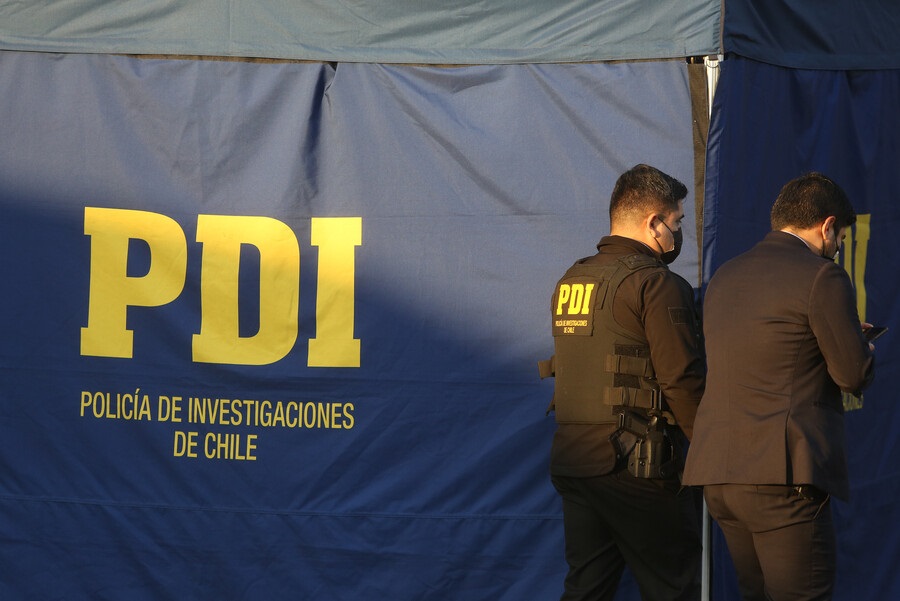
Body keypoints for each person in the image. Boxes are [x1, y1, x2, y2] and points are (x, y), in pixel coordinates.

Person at [682, 172, 876, 601]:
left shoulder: (725, 276)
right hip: (782, 476)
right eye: (840, 239)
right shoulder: (823, 277)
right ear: (827, 226)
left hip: (720, 475)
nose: (838, 248)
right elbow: (852, 374)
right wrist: (859, 345)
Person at [541, 164, 706, 601]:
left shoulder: (571, 280)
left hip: (575, 462)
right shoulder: (657, 283)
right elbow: (681, 379)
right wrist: (712, 454)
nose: (678, 233)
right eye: (677, 222)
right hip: (638, 467)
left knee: (587, 589)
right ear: (654, 223)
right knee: (674, 588)